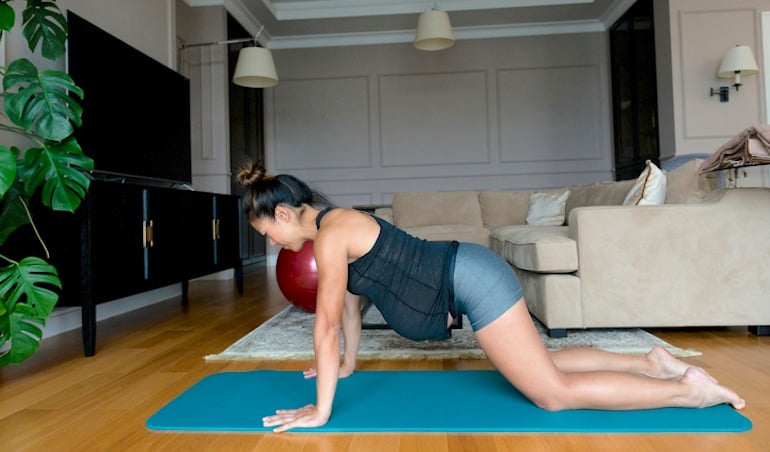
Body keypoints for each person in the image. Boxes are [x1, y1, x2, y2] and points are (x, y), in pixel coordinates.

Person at [235, 164, 746, 433]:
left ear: (282, 215)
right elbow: (347, 303)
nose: (270, 244)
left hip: (472, 280)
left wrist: (322, 412)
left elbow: (321, 325)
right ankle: (650, 364)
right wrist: (346, 367)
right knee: (540, 363)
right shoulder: (333, 227)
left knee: (552, 394)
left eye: (265, 232)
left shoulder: (330, 233)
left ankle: (688, 392)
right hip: (469, 273)